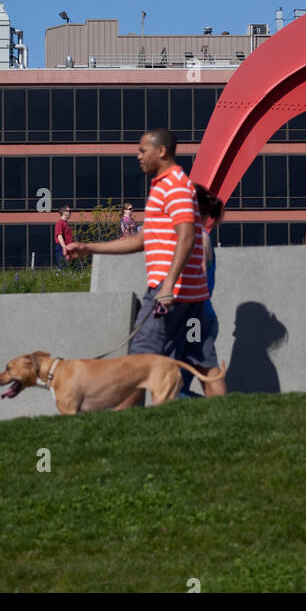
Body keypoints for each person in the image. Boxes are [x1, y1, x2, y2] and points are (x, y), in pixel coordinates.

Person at [66, 128, 209, 406]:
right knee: (204, 363)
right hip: (184, 292)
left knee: (138, 362)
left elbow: (187, 235)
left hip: (169, 291)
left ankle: (126, 427)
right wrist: (89, 248)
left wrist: (167, 285)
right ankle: (225, 421)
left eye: (143, 150)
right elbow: (143, 239)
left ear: (162, 151)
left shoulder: (175, 185)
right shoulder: (162, 186)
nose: (137, 156)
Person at [180, 185, 227, 398]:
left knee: (174, 389)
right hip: (195, 317)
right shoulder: (196, 235)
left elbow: (195, 277)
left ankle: (222, 416)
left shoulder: (198, 236)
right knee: (177, 384)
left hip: (194, 319)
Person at [54, 206, 74, 272]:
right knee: (63, 268)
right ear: (64, 212)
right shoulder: (60, 223)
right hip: (62, 248)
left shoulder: (66, 223)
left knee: (68, 268)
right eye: (69, 211)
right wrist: (64, 248)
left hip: (67, 248)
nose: (71, 213)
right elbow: (59, 236)